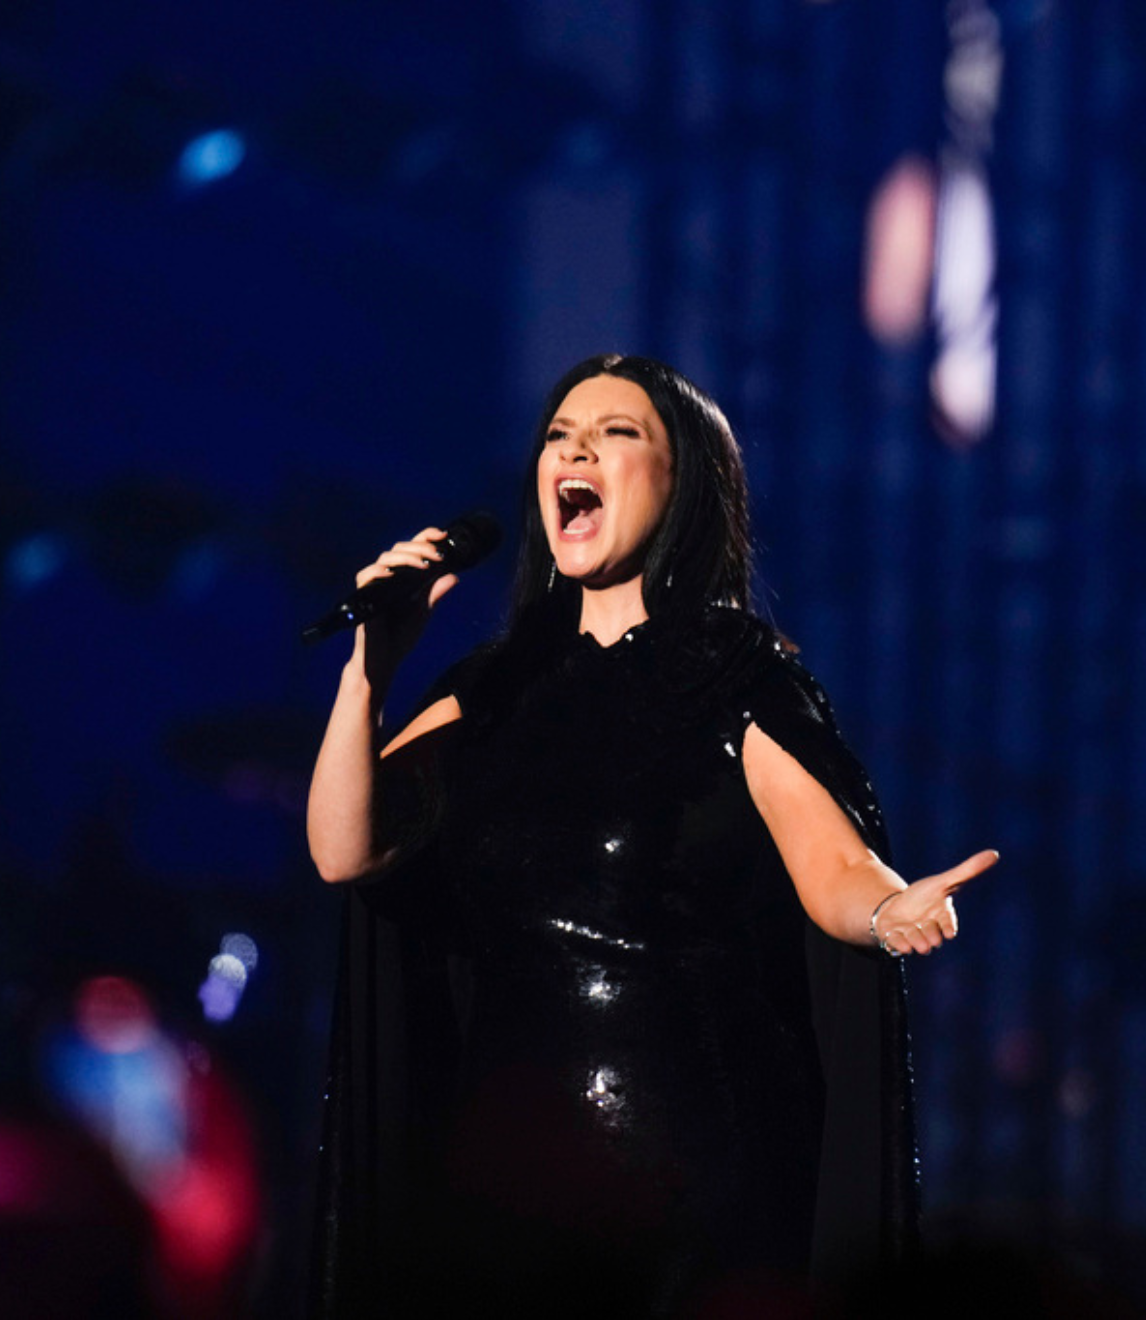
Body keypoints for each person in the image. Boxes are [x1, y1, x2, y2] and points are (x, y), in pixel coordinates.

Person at [305, 354, 997, 1318]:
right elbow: (347, 849)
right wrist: (369, 670)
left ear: (683, 488)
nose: (574, 449)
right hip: (504, 1171)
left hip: (688, 1170)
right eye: (558, 435)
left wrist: (889, 911)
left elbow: (833, 862)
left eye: (615, 434)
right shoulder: (492, 690)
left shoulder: (732, 676)